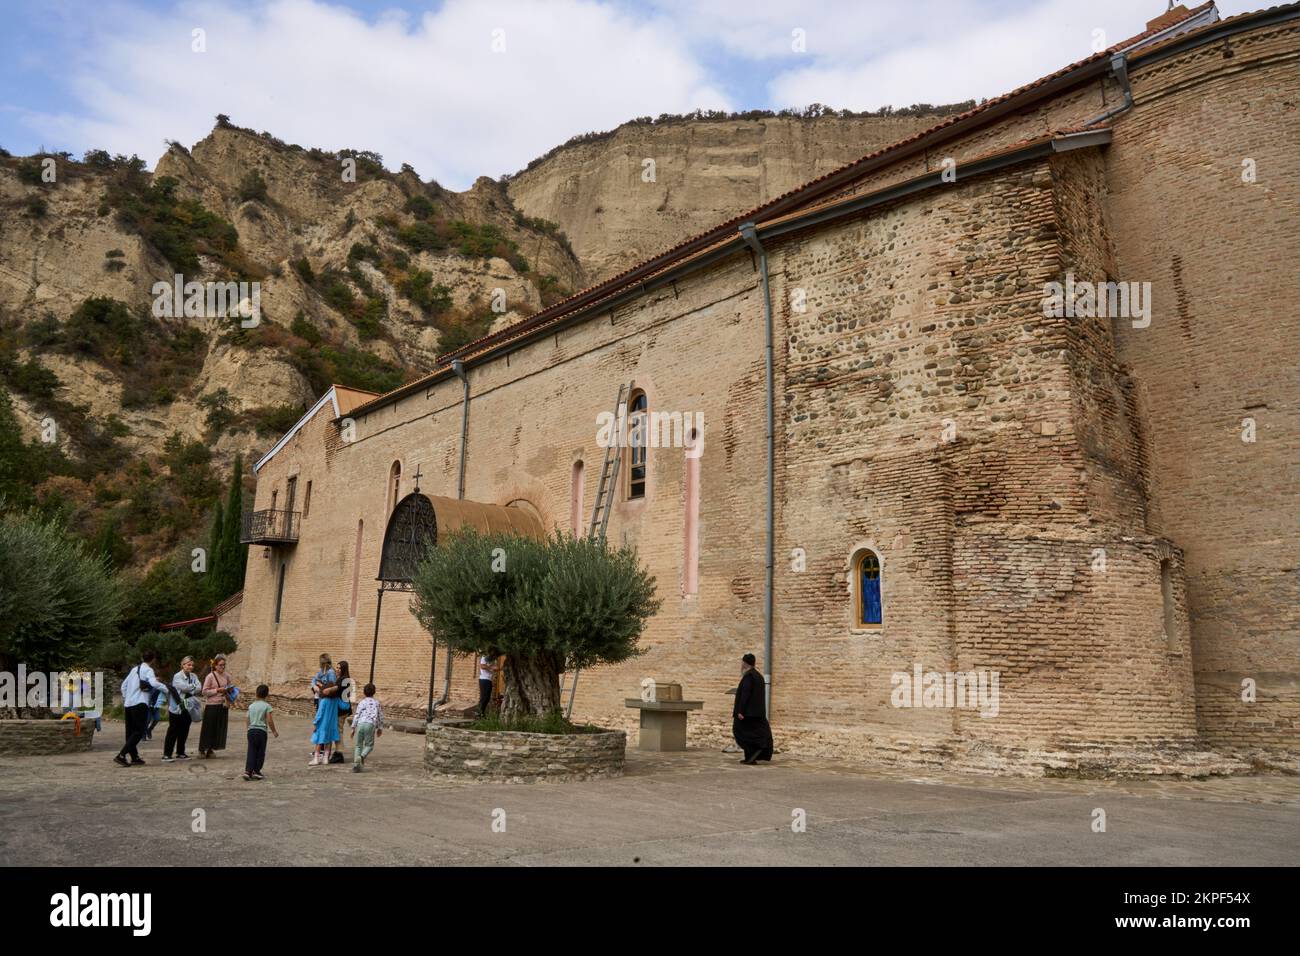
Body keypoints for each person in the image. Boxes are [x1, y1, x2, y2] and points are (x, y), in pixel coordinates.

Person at [114, 650, 169, 767]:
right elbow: (154, 684)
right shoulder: (148, 670)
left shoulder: (134, 669)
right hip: (140, 703)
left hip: (128, 704)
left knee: (130, 732)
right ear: (153, 659)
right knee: (139, 731)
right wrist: (166, 689)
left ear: (142, 657)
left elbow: (123, 686)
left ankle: (134, 757)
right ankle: (121, 755)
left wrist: (127, 697)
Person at [732, 653, 773, 765]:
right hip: (758, 713)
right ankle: (750, 757)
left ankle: (753, 754)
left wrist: (741, 711)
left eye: (742, 663)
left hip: (747, 715)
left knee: (741, 733)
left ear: (745, 663)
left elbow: (745, 694)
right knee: (756, 735)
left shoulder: (748, 677)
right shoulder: (759, 676)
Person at [162, 656, 202, 761]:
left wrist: (190, 687)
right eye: (188, 664)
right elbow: (183, 688)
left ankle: (180, 752)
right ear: (183, 665)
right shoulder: (177, 676)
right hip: (177, 707)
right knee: (173, 730)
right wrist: (192, 687)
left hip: (188, 706)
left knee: (184, 730)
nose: (191, 667)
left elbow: (199, 687)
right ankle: (167, 754)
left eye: (192, 665)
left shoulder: (194, 676)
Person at [198, 654, 234, 758]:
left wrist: (230, 690)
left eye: (224, 665)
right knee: (208, 728)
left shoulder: (227, 676)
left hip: (222, 705)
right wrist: (217, 690)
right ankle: (202, 749)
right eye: (220, 665)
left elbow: (229, 687)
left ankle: (211, 749)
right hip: (212, 705)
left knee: (218, 728)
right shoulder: (210, 676)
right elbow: (204, 691)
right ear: (215, 665)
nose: (222, 667)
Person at [310, 653, 341, 766]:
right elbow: (314, 679)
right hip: (331, 709)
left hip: (326, 706)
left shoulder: (330, 673)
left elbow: (320, 713)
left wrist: (315, 723)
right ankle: (326, 758)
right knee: (329, 735)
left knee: (320, 736)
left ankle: (317, 758)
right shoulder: (323, 672)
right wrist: (315, 685)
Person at [243, 685, 278, 781]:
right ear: (267, 695)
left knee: (251, 751)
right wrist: (274, 731)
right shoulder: (267, 706)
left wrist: (248, 729)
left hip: (251, 731)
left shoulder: (251, 706)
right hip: (261, 732)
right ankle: (256, 771)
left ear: (256, 693)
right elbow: (269, 720)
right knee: (260, 752)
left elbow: (247, 718)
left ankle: (248, 771)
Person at [350, 683, 383, 773]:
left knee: (358, 745)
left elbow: (357, 715)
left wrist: (353, 727)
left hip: (360, 724)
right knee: (369, 745)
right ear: (374, 692)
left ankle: (356, 765)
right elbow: (380, 716)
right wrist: (380, 728)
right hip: (370, 724)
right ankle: (361, 757)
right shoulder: (377, 703)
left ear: (364, 692)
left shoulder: (362, 702)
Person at [334, 660, 354, 759]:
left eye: (339, 668)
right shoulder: (346, 679)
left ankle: (339, 753)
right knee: (338, 730)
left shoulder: (343, 680)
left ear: (343, 669)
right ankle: (337, 752)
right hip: (344, 708)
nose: (336, 670)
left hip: (341, 709)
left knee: (339, 731)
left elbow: (335, 691)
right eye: (336, 668)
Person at [477, 653, 499, 718]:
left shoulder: (493, 659)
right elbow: (482, 666)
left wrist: (495, 668)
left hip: (489, 680)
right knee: (484, 697)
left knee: (487, 698)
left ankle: (482, 713)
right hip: (483, 679)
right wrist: (491, 667)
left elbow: (496, 667)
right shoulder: (485, 656)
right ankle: (479, 713)